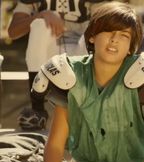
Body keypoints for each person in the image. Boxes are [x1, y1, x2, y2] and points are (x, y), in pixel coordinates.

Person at [33, 1, 144, 162]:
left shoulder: (142, 76)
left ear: (131, 47)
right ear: (92, 36)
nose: (114, 40)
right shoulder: (71, 75)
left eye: (124, 35)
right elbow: (56, 144)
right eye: (108, 32)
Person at [7, 0, 107, 130]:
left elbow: (107, 23)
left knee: (97, 29)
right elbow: (13, 32)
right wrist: (40, 15)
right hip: (49, 51)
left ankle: (94, 103)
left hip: (80, 48)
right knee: (39, 24)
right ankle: (37, 109)